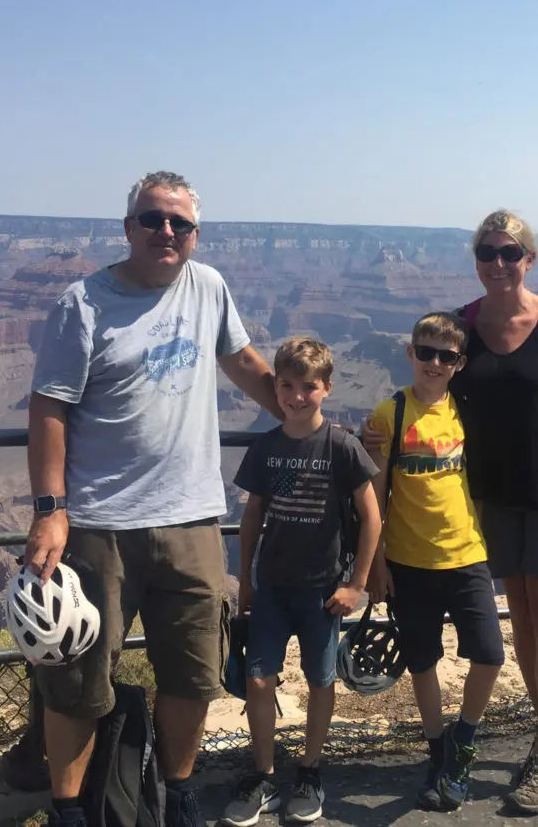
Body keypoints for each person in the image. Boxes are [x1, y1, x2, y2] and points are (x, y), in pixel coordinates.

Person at [24, 171, 286, 827]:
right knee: (79, 681)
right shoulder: (82, 303)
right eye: (152, 219)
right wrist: (50, 509)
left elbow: (245, 363)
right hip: (99, 527)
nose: (166, 231)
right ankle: (69, 810)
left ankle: (177, 793)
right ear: (128, 227)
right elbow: (49, 407)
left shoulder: (209, 287)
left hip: (194, 520)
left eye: (180, 223)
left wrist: (312, 422)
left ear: (195, 233)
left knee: (193, 676)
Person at [362, 208, 538, 814]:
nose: (497, 263)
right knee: (521, 612)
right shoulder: (464, 327)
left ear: (529, 259)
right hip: (489, 495)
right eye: (487, 253)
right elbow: (432, 391)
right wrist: (370, 442)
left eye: (509, 253)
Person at [223, 337, 381, 826]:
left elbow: (371, 518)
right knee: (257, 678)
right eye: (286, 386)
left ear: (326, 388)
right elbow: (253, 517)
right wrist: (245, 581)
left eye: (307, 387)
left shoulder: (341, 446)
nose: (295, 396)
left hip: (322, 592)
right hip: (271, 586)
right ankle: (264, 774)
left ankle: (310, 770)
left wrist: (356, 585)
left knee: (320, 680)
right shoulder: (267, 448)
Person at [365, 312, 505, 811]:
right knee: (423, 661)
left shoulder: (464, 412)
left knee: (489, 653)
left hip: (467, 555)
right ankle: (435, 749)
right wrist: (376, 564)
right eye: (426, 352)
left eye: (446, 356)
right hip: (408, 561)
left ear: (459, 363)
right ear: (410, 354)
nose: (435, 363)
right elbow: (375, 497)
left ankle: (462, 740)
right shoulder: (389, 415)